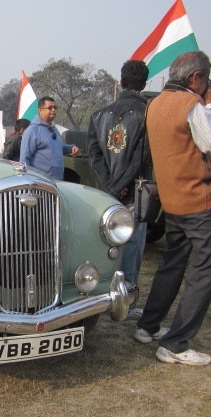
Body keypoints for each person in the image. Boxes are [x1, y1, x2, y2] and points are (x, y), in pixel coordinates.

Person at [135, 51, 211, 366]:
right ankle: (175, 343)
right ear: (196, 78)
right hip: (197, 200)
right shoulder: (193, 105)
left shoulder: (156, 103)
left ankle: (148, 326)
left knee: (172, 263)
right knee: (204, 270)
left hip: (172, 198)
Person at [87, 60, 152, 320]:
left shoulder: (99, 115)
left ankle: (102, 295)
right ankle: (127, 301)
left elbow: (94, 156)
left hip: (107, 193)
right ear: (144, 84)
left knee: (105, 244)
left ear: (121, 82)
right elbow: (141, 157)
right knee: (132, 246)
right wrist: (122, 187)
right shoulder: (148, 114)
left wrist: (109, 187)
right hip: (135, 192)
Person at [19, 96, 79, 180]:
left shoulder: (53, 129)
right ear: (40, 111)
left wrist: (70, 148)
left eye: (55, 107)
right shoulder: (32, 130)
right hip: (40, 183)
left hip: (57, 181)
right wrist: (27, 180)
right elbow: (24, 159)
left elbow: (57, 148)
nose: (53, 110)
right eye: (50, 108)